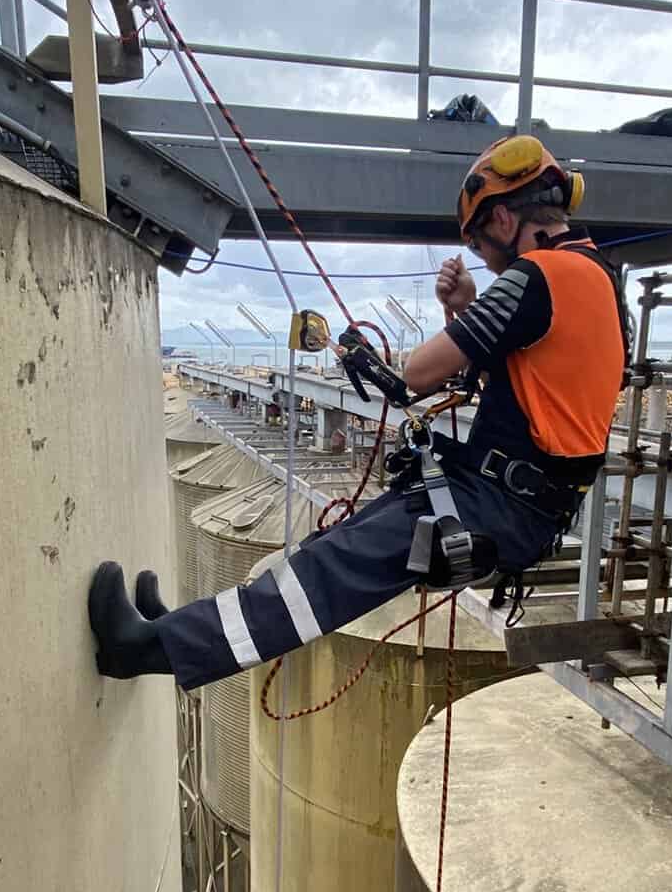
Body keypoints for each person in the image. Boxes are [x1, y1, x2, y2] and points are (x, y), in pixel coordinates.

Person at [88, 134, 628, 686]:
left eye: (481, 243)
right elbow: (534, 386)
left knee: (323, 577)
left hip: (493, 499)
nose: (484, 258)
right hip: (519, 503)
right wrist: (465, 308)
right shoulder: (603, 282)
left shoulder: (539, 274)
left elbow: (416, 374)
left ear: (505, 222)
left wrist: (371, 351)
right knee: (329, 549)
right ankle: (177, 633)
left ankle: (139, 650)